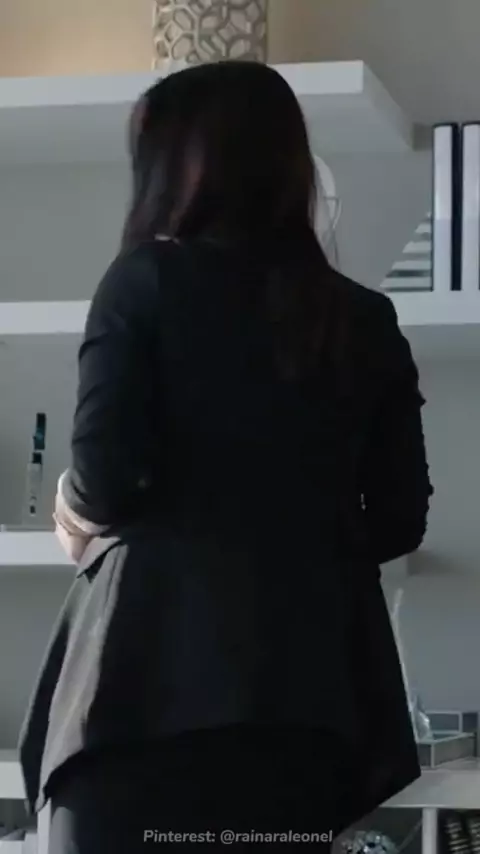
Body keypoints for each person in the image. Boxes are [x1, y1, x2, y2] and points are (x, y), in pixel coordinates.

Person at [19, 61, 433, 853]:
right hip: (307, 706)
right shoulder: (364, 319)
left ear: (175, 169)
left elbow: (104, 478)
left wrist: (73, 511)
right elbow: (398, 521)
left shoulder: (144, 281)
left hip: (138, 694)